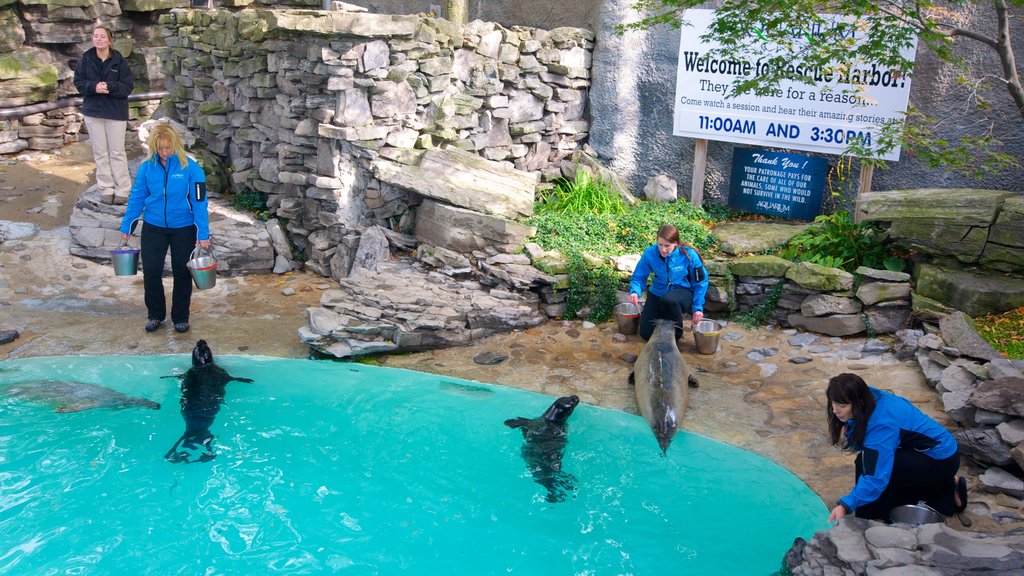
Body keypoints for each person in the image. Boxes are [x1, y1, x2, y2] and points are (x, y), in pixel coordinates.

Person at [825, 373, 967, 524]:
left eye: (842, 406)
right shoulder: (870, 397)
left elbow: (875, 478)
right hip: (935, 452)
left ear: (859, 402)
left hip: (941, 460)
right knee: (877, 462)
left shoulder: (881, 424)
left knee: (868, 466)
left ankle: (872, 518)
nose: (835, 410)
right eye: (833, 403)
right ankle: (947, 488)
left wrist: (846, 505)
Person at [119, 123, 210, 334]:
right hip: (154, 226)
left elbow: (200, 202)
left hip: (184, 228)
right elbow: (137, 197)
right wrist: (128, 224)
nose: (165, 152)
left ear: (176, 145)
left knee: (181, 272)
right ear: (154, 147)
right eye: (160, 148)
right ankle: (155, 315)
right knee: (151, 271)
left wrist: (203, 233)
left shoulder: (191, 168)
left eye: (168, 147)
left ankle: (180, 317)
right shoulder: (146, 167)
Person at [74, 26, 134, 205]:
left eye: (102, 36)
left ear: (110, 40)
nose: (98, 39)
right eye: (95, 36)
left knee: (117, 152)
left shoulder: (119, 61)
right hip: (93, 112)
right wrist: (93, 87)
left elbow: (128, 86)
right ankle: (105, 188)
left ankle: (123, 188)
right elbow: (79, 82)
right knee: (100, 152)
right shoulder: (86, 59)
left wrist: (110, 87)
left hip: (115, 113)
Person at [627, 223, 709, 341]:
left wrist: (697, 308)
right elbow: (639, 276)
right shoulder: (650, 253)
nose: (663, 250)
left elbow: (700, 283)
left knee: (669, 300)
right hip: (658, 292)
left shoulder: (689, 255)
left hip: (682, 293)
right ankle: (665, 318)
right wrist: (635, 291)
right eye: (660, 245)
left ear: (675, 243)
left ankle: (677, 333)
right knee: (645, 333)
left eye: (667, 245)